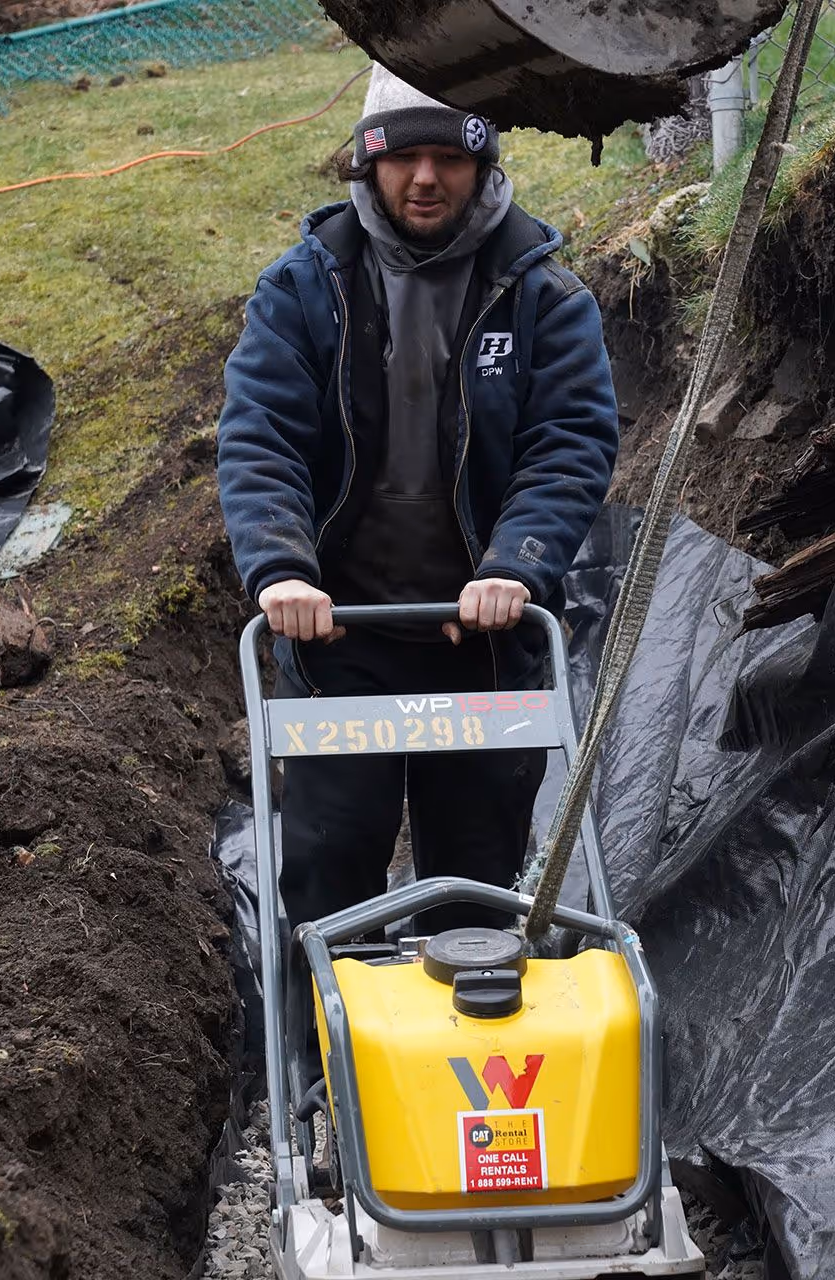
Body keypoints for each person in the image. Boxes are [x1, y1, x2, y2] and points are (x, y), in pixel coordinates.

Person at [217, 66, 618, 933]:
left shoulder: (543, 294)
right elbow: (263, 435)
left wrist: (518, 566)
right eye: (404, 159)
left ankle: (467, 1043)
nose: (426, 178)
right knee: (333, 855)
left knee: (477, 879)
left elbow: (569, 444)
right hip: (341, 632)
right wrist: (282, 568)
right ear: (368, 167)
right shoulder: (302, 290)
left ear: (483, 164)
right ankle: (330, 1052)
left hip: (478, 632)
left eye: (448, 157)